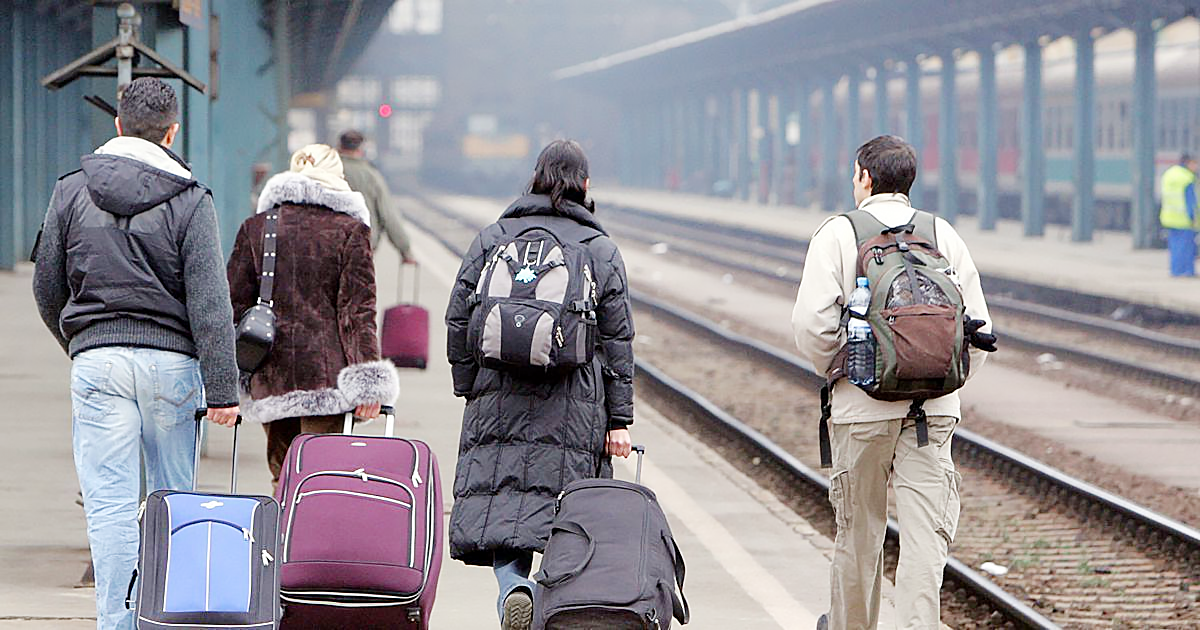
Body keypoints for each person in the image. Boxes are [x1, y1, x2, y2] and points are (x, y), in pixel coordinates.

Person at [32, 77, 240, 630]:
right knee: (174, 503)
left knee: (110, 506)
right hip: (172, 367)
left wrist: (82, 345)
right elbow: (210, 301)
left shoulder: (70, 190)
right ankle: (166, 621)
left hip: (98, 362)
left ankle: (116, 622)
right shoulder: (191, 198)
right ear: (173, 132)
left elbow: (46, 287)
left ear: (118, 126)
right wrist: (222, 388)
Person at [792, 135, 993, 630]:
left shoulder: (838, 234)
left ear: (863, 176)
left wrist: (847, 372)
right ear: (909, 181)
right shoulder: (942, 233)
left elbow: (812, 327)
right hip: (935, 411)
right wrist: (940, 379)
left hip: (862, 409)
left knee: (859, 532)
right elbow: (978, 328)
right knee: (926, 537)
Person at [445, 139, 635, 630]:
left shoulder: (494, 238)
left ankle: (515, 589)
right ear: (585, 186)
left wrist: (469, 385)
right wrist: (619, 419)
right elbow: (617, 341)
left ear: (534, 177)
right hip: (576, 403)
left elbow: (457, 318)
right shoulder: (599, 248)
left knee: (504, 516)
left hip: (498, 395)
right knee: (568, 518)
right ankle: (550, 606)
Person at [227, 144, 399, 485]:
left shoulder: (257, 228)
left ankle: (281, 535)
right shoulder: (349, 231)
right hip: (326, 376)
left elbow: (234, 305)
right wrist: (369, 385)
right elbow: (357, 313)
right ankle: (312, 535)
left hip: (269, 371)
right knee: (322, 475)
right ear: (337, 178)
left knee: (283, 471)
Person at [337, 129, 416, 262]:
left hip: (331, 243)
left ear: (339, 147)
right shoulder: (371, 175)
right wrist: (405, 250)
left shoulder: (327, 171)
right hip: (363, 244)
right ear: (361, 149)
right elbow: (388, 215)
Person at [1159, 153, 1198, 278]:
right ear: (1188, 163)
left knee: (1175, 246)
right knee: (1187, 247)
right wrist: (1193, 217)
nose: (1196, 166)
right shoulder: (1187, 178)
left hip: (1169, 217)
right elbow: (1190, 200)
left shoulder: (1169, 174)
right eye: (1195, 163)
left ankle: (1175, 270)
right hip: (1184, 219)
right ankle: (1187, 271)